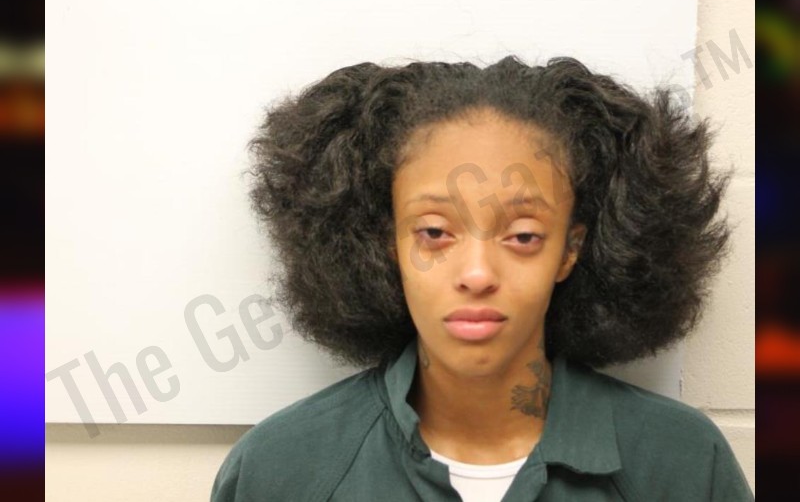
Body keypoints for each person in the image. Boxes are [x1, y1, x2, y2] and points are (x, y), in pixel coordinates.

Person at [211, 56, 753, 501]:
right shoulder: (282, 469)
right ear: (388, 244)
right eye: (434, 232)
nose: (476, 274)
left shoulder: (681, 464)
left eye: (523, 236)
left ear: (570, 250)